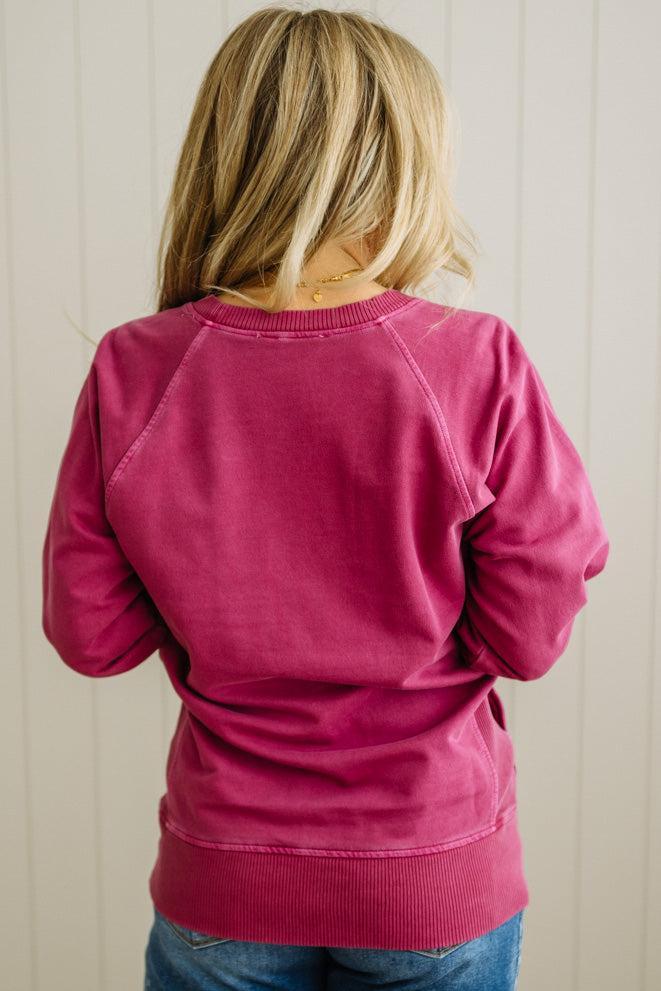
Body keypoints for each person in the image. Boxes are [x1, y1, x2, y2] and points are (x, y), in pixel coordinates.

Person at [40, 6, 610, 990]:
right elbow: (530, 636)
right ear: (406, 167)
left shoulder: (134, 370)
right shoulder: (476, 364)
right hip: (432, 872)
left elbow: (92, 636)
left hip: (225, 876)